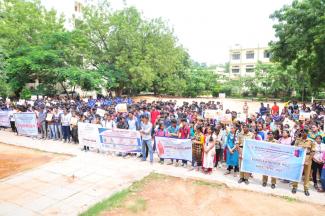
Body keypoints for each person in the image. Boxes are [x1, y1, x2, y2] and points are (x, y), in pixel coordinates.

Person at [291, 129, 316, 196]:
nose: (302, 133)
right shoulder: (298, 140)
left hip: (307, 158)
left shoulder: (311, 141)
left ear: (307, 133)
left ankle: (306, 189)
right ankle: (294, 187)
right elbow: (295, 149)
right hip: (299, 158)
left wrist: (308, 160)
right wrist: (296, 158)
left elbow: (313, 152)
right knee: (297, 173)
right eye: (302, 132)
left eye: (304, 132)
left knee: (307, 175)